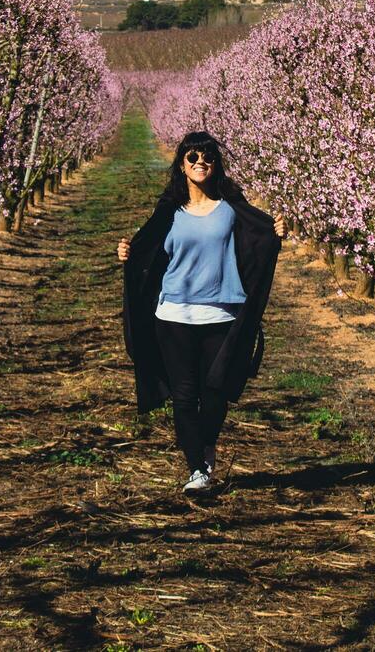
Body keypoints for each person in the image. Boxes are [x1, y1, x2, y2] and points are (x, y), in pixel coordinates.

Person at [117, 131, 286, 494]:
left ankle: (206, 445)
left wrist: (276, 234)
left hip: (222, 314)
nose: (200, 164)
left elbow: (258, 240)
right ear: (181, 164)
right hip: (175, 314)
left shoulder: (230, 208)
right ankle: (197, 469)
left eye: (207, 158)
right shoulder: (169, 211)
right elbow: (149, 253)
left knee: (215, 393)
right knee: (184, 394)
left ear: (216, 164)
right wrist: (127, 254)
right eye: (192, 158)